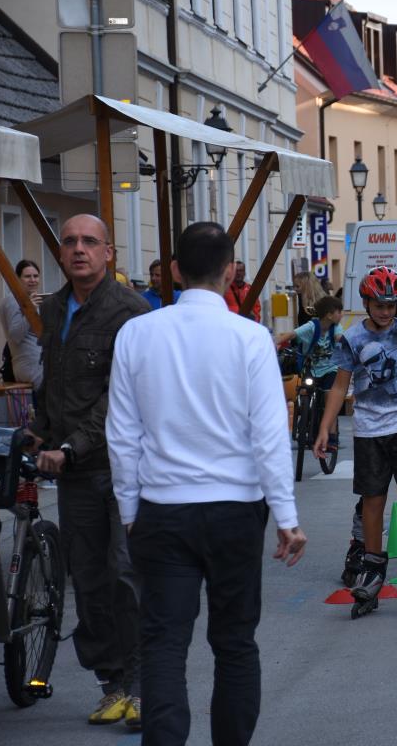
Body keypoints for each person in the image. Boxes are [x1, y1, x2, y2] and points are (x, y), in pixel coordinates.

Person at [106, 222, 306, 745]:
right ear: (231, 271)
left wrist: (130, 511)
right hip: (234, 509)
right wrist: (286, 517)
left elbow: (122, 435)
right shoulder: (250, 338)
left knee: (164, 645)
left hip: (162, 508)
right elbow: (269, 435)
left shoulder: (137, 334)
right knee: (235, 643)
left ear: (174, 270)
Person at [29, 214, 150, 726]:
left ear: (108, 252)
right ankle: (111, 684)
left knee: (126, 573)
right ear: (60, 252)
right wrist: (38, 430)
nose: (79, 249)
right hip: (73, 471)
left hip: (122, 467)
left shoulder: (131, 311)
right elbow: (52, 382)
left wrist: (71, 446)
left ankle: (141, 686)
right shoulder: (54, 308)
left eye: (89, 242)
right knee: (90, 581)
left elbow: (119, 397)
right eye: (70, 241)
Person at [312, 266, 397, 614]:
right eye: (379, 305)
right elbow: (340, 386)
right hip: (369, 429)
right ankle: (371, 568)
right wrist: (326, 427)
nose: (386, 311)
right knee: (372, 500)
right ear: (366, 303)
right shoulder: (352, 338)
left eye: (391, 305)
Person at [274, 294, 345, 447]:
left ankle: (332, 437)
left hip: (330, 369)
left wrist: (345, 343)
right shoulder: (312, 326)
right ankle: (304, 417)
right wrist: (275, 342)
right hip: (311, 368)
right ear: (329, 315)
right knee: (304, 392)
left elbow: (339, 337)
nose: (342, 314)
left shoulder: (336, 328)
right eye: (339, 312)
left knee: (330, 399)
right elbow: (293, 334)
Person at [0, 258, 43, 384]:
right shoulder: (12, 300)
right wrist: (30, 310)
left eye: (36, 276)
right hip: (31, 366)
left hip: (41, 364)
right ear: (18, 279)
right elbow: (15, 335)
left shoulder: (31, 300)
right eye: (27, 276)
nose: (33, 280)